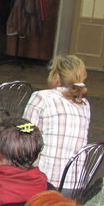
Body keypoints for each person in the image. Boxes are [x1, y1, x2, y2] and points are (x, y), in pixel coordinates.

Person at [24, 54, 90, 190]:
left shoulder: (41, 97)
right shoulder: (84, 104)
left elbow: (25, 138)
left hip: (44, 182)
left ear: (56, 77)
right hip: (75, 185)